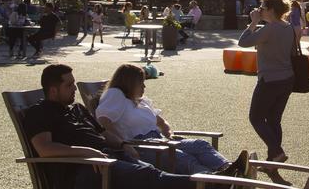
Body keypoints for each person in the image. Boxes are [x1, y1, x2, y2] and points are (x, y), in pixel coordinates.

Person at [23, 65, 247, 189]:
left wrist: (122, 144)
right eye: (69, 85)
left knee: (153, 171)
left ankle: (219, 184)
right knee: (148, 175)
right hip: (85, 172)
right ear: (53, 90)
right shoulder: (39, 112)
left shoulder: (77, 110)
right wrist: (88, 152)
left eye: (74, 84)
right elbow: (45, 149)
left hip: (109, 158)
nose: (73, 89)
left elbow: (103, 132)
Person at [95, 64, 230, 174]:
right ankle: (218, 185)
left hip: (160, 141)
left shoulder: (141, 102)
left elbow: (162, 122)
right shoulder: (115, 94)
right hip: (141, 145)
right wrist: (124, 144)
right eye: (141, 83)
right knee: (185, 159)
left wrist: (169, 133)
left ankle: (230, 171)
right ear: (129, 83)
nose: (144, 86)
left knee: (200, 145)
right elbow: (103, 122)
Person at [238, 0, 296, 167]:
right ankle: (273, 160)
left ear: (271, 10)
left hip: (269, 79)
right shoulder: (288, 27)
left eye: (262, 7)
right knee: (273, 119)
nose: (259, 10)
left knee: (255, 117)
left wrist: (254, 22)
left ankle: (276, 152)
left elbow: (243, 42)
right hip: (287, 79)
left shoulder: (270, 28)